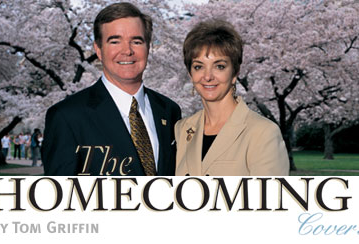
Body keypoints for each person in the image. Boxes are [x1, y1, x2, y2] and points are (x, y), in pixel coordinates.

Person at [42, 2, 181, 176]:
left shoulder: (169, 111)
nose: (127, 51)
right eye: (115, 41)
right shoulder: (67, 117)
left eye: (136, 41)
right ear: (98, 50)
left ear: (148, 47)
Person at [175, 19, 289, 176]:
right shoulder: (182, 129)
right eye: (198, 67)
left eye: (219, 66)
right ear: (190, 73)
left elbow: (268, 199)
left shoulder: (263, 133)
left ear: (235, 73)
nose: (207, 76)